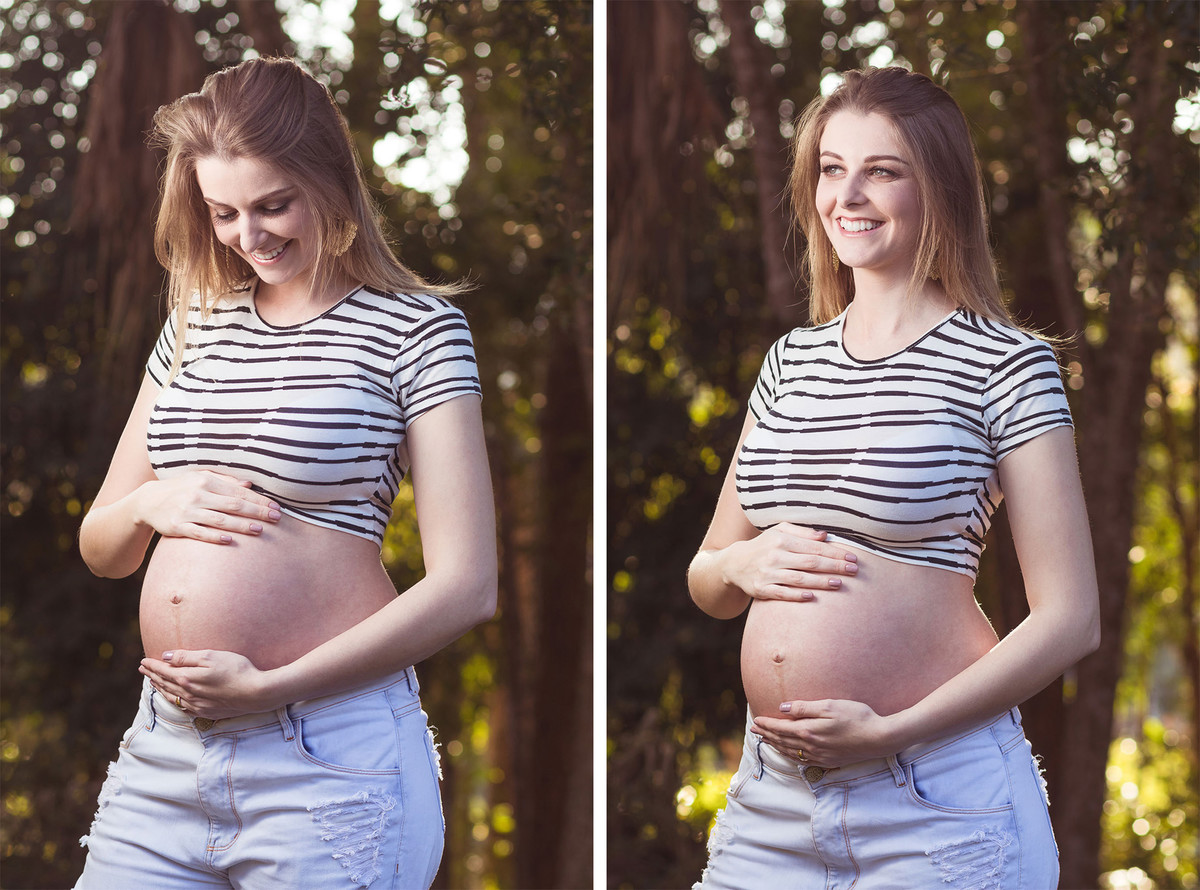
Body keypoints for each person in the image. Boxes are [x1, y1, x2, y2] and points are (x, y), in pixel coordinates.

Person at [75, 57, 496, 889]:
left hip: (327, 757)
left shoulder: (418, 331)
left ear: (330, 183)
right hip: (164, 757)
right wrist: (158, 499)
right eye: (223, 212)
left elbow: (468, 586)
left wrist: (272, 687)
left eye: (274, 204)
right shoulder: (195, 321)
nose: (248, 235)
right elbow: (103, 544)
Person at [687, 67, 1099, 889]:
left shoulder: (1007, 364)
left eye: (883, 170)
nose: (850, 194)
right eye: (832, 169)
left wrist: (893, 731)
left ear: (939, 188)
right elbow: (708, 577)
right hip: (771, 806)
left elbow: (1072, 620)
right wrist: (738, 564)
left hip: (937, 799)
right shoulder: (789, 362)